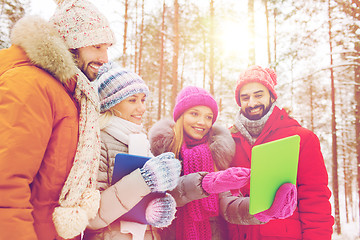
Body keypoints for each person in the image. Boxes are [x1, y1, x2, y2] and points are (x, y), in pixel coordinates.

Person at [0, 0, 116, 239]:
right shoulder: (30, 85)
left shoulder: (72, 96)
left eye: (107, 47)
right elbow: (7, 184)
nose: (105, 57)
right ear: (71, 45)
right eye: (96, 46)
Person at [220, 65, 334, 239]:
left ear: (272, 96)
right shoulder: (227, 141)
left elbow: (316, 201)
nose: (252, 103)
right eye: (245, 97)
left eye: (259, 95)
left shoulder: (301, 139)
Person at [83, 62, 181, 240]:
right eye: (132, 100)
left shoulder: (140, 141)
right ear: (111, 103)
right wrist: (145, 181)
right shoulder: (97, 141)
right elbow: (91, 217)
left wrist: (154, 210)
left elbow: (140, 198)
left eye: (143, 100)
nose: (142, 108)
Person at [149, 86, 252, 240]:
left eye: (208, 117)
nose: (201, 122)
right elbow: (162, 196)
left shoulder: (216, 155)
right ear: (180, 115)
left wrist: (259, 210)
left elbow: (227, 204)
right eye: (194, 114)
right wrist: (205, 184)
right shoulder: (162, 152)